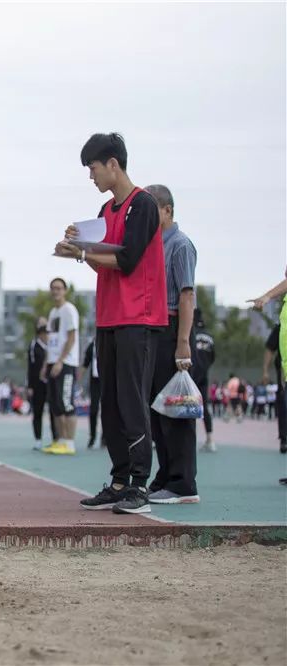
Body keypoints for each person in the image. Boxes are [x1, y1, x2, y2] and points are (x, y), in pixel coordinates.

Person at [57, 132, 167, 514]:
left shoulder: (144, 205)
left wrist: (82, 251)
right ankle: (120, 481)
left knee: (132, 400)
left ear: (113, 165)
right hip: (109, 318)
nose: (91, 176)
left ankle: (140, 486)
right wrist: (77, 250)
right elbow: (101, 257)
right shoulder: (106, 212)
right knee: (111, 404)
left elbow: (128, 260)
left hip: (139, 317)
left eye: (93, 168)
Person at [141, 184, 200, 505]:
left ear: (167, 210)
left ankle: (183, 482)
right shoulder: (154, 246)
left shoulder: (179, 246)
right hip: (154, 329)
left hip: (174, 327)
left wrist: (183, 344)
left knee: (176, 409)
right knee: (158, 408)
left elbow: (187, 294)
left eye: (153, 210)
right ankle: (165, 474)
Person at [41, 278, 79, 455]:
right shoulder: (53, 312)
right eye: (53, 288)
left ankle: (69, 443)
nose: (55, 291)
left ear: (65, 290)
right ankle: (60, 440)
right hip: (52, 363)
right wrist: (46, 364)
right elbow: (51, 341)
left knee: (66, 403)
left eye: (59, 288)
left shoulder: (69, 310)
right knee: (55, 404)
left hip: (66, 363)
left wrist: (60, 361)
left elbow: (71, 337)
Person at [27, 321, 57, 448]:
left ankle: (56, 438)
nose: (47, 336)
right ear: (40, 334)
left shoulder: (52, 346)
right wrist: (30, 386)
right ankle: (38, 439)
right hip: (37, 384)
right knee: (38, 412)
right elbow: (31, 368)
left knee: (53, 411)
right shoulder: (34, 346)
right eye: (45, 334)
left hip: (50, 383)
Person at [190, 309, 216, 452]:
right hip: (203, 376)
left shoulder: (189, 331)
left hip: (190, 374)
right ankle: (210, 439)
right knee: (204, 407)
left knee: (186, 406)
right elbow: (213, 357)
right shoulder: (209, 336)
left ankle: (188, 441)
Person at [262, 323, 286, 452]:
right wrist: (265, 370)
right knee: (283, 402)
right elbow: (270, 348)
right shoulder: (281, 326)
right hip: (283, 370)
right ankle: (284, 439)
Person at [79, 339, 100, 449]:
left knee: (109, 410)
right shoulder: (92, 345)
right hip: (95, 382)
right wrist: (78, 378)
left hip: (108, 380)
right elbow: (85, 363)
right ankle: (92, 437)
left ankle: (105, 438)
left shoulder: (109, 341)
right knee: (93, 410)